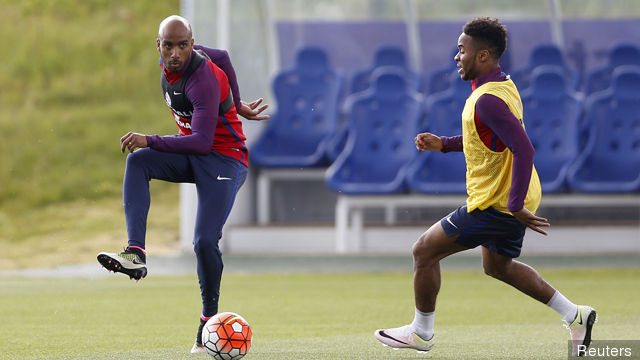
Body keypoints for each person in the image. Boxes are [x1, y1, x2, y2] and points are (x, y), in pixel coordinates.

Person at [374, 17, 596, 357]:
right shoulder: (500, 85)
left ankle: (421, 332)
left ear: (483, 56)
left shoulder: (488, 99)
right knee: (497, 267)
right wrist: (444, 144)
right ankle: (576, 315)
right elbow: (488, 138)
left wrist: (516, 203)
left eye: (462, 50)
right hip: (507, 198)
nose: (456, 56)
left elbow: (525, 149)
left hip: (498, 202)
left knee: (423, 251)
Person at [96, 15, 269, 354]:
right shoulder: (180, 59)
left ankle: (208, 321)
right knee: (138, 161)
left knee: (204, 241)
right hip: (195, 151)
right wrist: (236, 101)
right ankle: (136, 253)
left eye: (183, 45)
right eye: (169, 45)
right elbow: (223, 55)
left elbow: (203, 142)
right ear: (157, 46)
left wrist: (151, 138)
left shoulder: (200, 79)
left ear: (191, 43)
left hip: (224, 158)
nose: (176, 53)